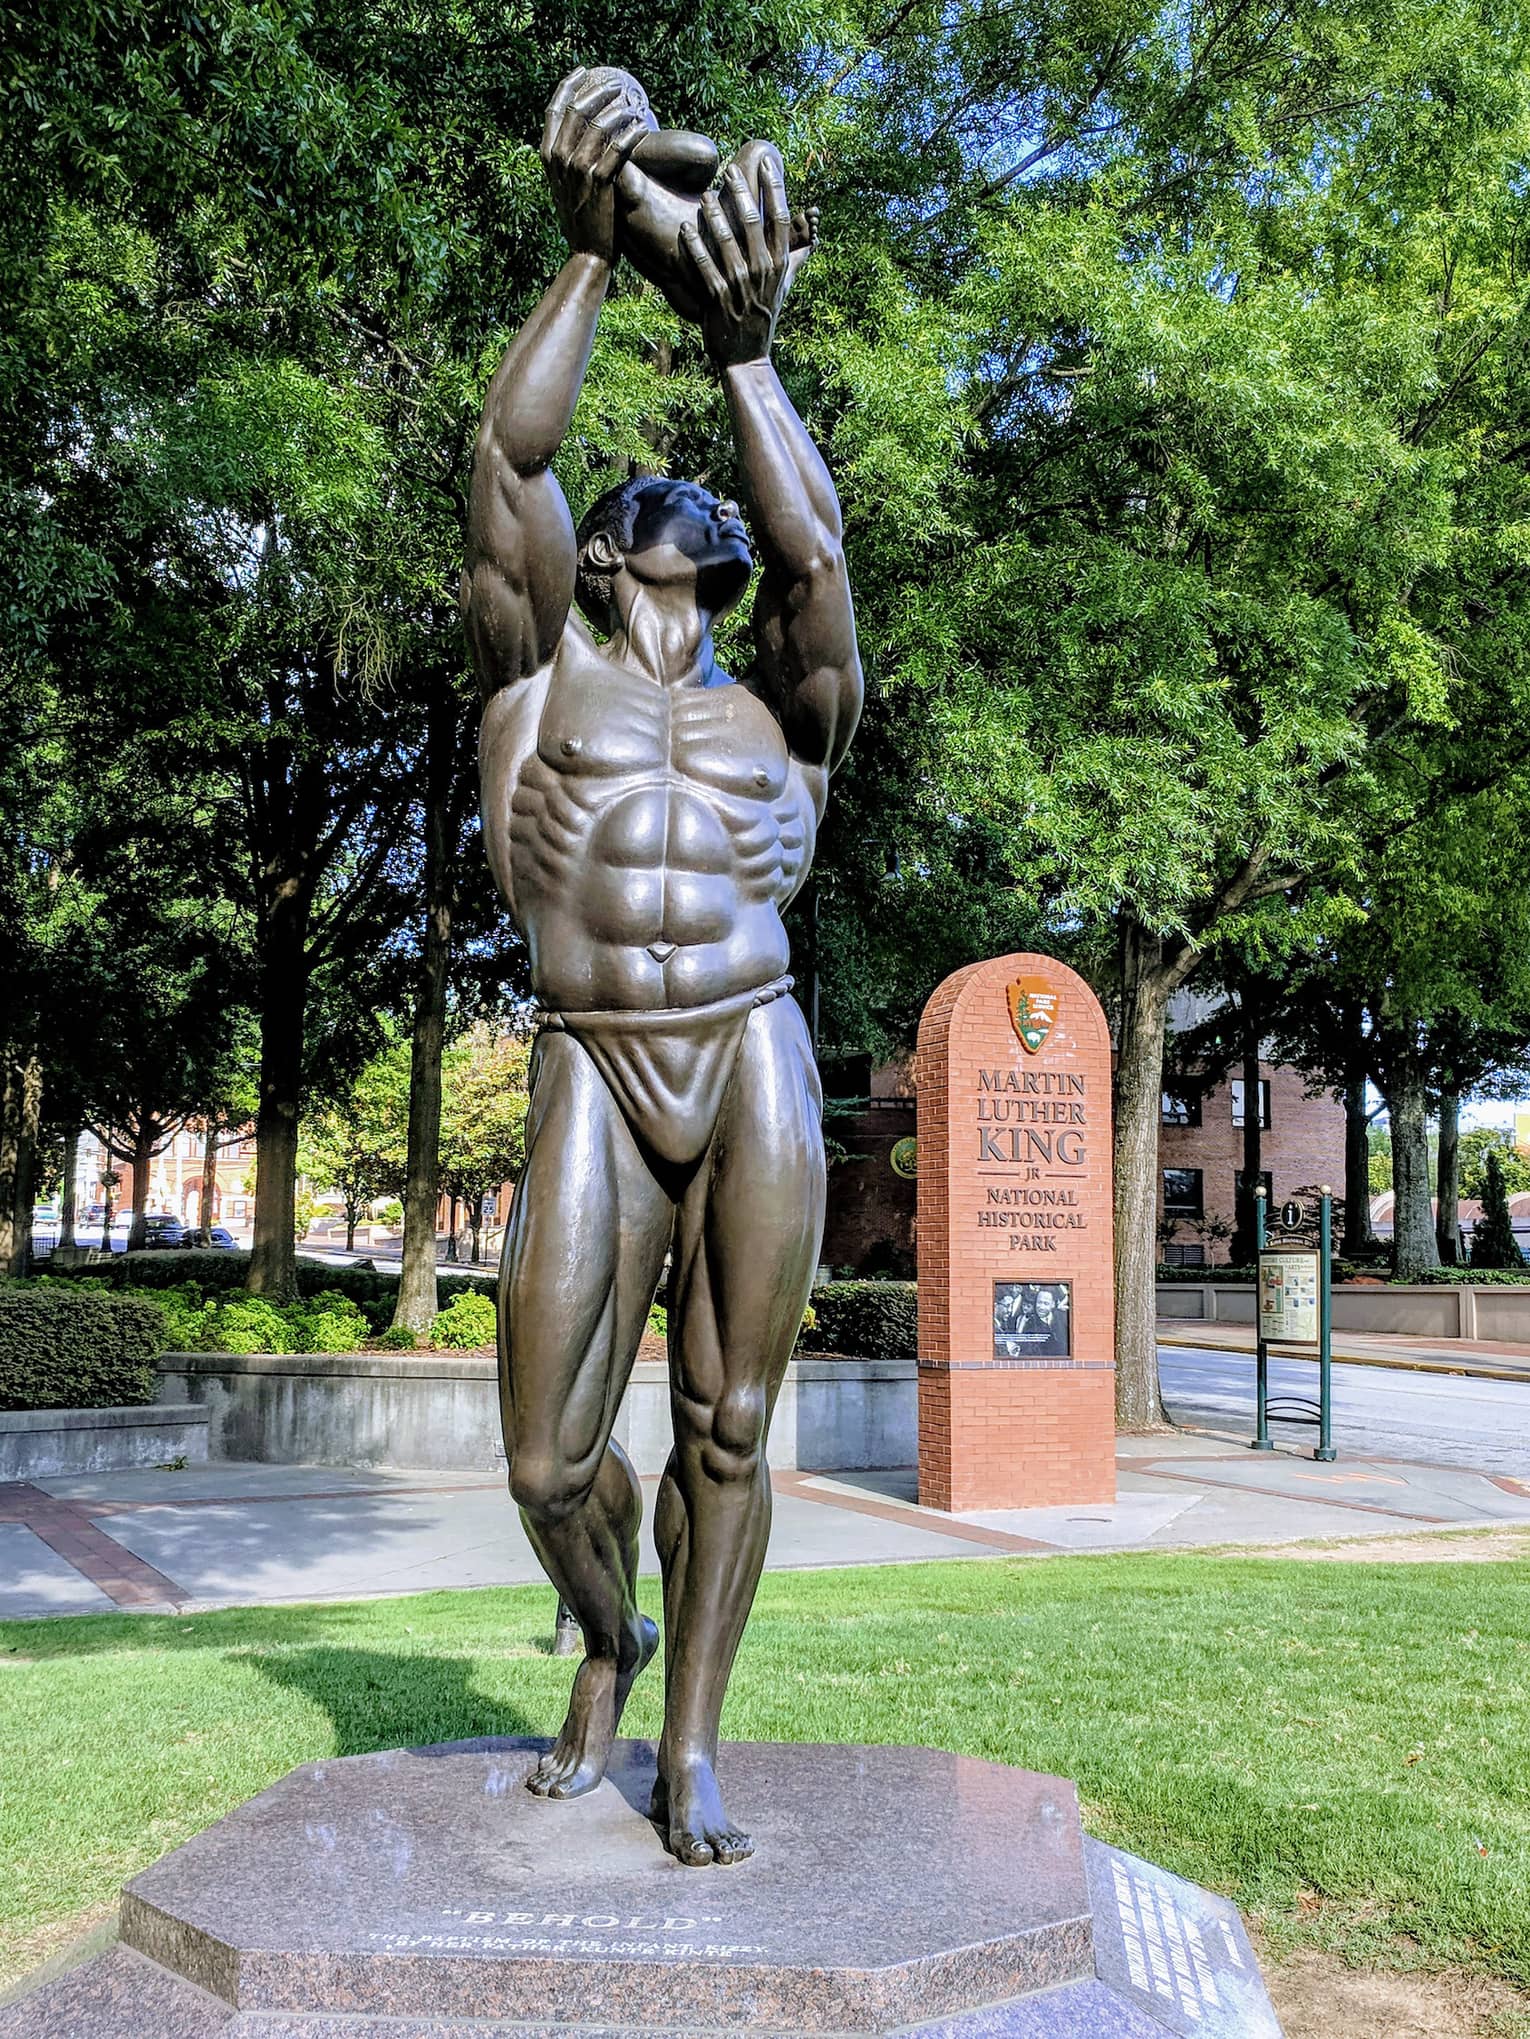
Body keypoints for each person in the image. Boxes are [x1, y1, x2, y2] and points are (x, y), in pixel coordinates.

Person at [462, 70, 861, 1868]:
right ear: (617, 556)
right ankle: (610, 1639)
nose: (694, 550)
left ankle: (688, 1741)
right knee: (548, 1461)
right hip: (592, 1055)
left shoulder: (786, 724)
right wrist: (594, 257)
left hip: (751, 1046)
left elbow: (819, 555)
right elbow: (508, 462)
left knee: (732, 1419)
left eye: (714, 531)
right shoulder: (540, 684)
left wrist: (743, 347)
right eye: (664, 529)